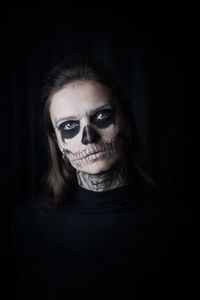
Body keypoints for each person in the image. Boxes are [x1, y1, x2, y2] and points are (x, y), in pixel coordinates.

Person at [10, 56, 182, 299]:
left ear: (126, 123)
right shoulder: (26, 224)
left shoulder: (174, 219)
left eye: (102, 117)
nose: (88, 137)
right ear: (57, 141)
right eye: (69, 125)